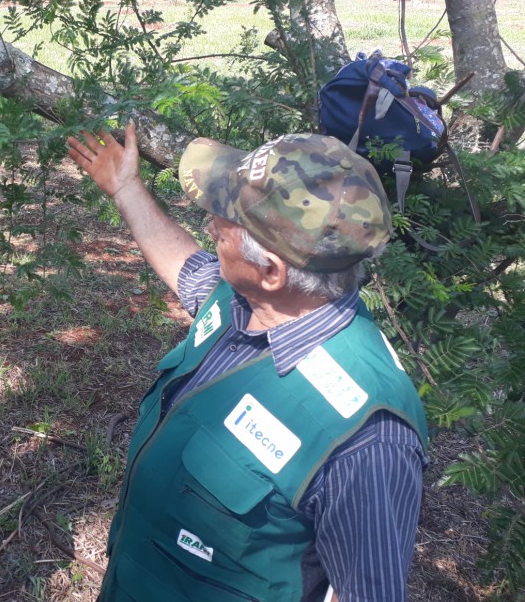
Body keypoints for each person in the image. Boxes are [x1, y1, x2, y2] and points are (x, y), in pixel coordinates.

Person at [67, 126, 429, 602]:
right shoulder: (242, 300)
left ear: (273, 270)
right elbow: (183, 265)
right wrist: (127, 189)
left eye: (226, 218)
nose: (211, 226)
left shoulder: (367, 438)